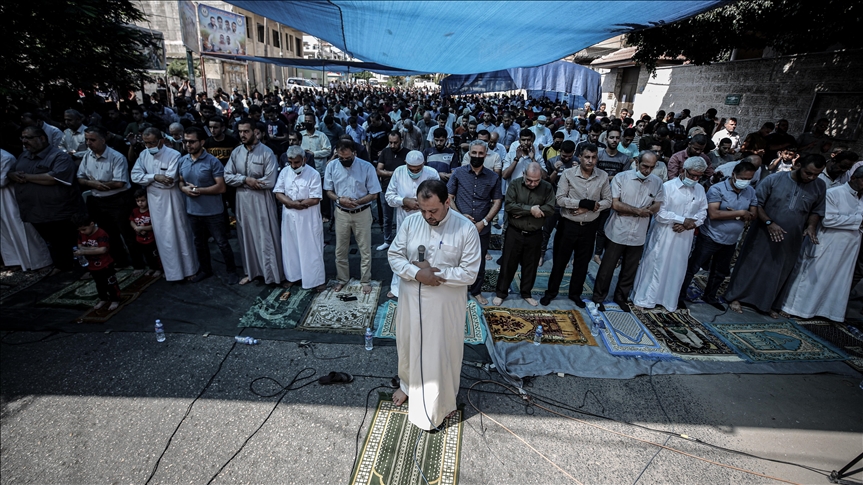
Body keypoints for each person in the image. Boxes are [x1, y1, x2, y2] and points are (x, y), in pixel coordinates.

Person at [387, 179, 481, 431]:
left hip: (443, 307)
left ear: (447, 202)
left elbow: (469, 273)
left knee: (440, 352)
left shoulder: (465, 229)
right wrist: (417, 274)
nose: (428, 216)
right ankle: (407, 386)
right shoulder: (410, 223)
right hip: (411, 300)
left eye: (433, 210)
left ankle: (442, 402)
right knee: (408, 344)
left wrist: (437, 275)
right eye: (423, 210)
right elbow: (394, 255)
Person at [724, 154, 828, 317]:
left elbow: (816, 210)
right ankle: (736, 297)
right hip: (762, 232)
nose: (812, 177)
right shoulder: (774, 179)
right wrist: (769, 223)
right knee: (750, 264)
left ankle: (767, 304)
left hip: (791, 236)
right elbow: (756, 204)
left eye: (817, 174)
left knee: (779, 270)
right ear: (798, 165)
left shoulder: (819, 186)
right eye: (808, 173)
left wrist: (811, 226)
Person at [781, 167, 863, 321]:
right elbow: (828, 219)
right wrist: (858, 221)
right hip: (828, 242)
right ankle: (795, 308)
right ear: (853, 178)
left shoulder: (861, 198)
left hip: (849, 247)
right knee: (813, 276)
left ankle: (825, 311)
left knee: (838, 279)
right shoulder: (834, 193)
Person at [678, 161, 758, 310]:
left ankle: (710, 296)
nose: (745, 182)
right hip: (710, 236)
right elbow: (714, 214)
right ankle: (680, 295)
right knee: (693, 267)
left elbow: (753, 214)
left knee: (719, 272)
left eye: (749, 179)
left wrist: (730, 213)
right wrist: (740, 213)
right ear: (733, 175)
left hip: (731, 239)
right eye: (743, 178)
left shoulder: (750, 191)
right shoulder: (718, 189)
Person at [631, 157, 708, 312]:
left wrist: (691, 224)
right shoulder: (667, 187)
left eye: (698, 176)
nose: (695, 179)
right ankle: (644, 299)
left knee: (676, 268)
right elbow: (660, 214)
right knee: (655, 266)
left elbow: (703, 212)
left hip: (684, 237)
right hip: (664, 234)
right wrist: (682, 220)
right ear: (683, 170)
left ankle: (668, 301)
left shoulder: (699, 189)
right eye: (692, 175)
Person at [540, 143, 612, 307]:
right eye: (587, 157)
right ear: (579, 157)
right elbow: (559, 199)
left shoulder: (602, 176)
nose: (590, 161)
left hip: (589, 226)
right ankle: (551, 293)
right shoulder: (568, 174)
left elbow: (608, 201)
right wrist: (580, 203)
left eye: (594, 157)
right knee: (560, 261)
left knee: (582, 263)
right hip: (568, 225)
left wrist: (590, 206)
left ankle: (575, 294)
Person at [591, 151, 664, 312]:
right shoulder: (621, 178)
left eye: (651, 167)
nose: (647, 170)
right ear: (637, 162)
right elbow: (615, 204)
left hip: (639, 233)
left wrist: (645, 210)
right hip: (618, 230)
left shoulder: (657, 182)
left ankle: (621, 298)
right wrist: (638, 211)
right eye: (644, 166)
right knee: (607, 268)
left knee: (629, 269)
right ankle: (598, 298)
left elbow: (658, 204)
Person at [10, 126, 84, 274]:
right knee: (53, 243)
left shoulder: (59, 156)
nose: (24, 141)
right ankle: (62, 267)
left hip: (58, 212)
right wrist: (12, 175)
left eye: (29, 138)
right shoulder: (23, 156)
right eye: (23, 138)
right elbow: (12, 171)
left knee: (64, 242)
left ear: (42, 138)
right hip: (34, 212)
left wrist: (26, 177)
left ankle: (77, 270)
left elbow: (54, 178)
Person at [130, 127, 199, 282]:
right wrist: (155, 177)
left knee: (180, 234)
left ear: (161, 141)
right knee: (163, 237)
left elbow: (170, 180)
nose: (148, 146)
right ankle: (172, 272)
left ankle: (189, 269)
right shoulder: (143, 155)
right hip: (154, 201)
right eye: (146, 143)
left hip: (172, 199)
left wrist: (148, 179)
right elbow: (135, 176)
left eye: (152, 143)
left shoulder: (174, 155)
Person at [225, 119, 284, 285]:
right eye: (240, 131)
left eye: (246, 131)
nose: (242, 135)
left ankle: (271, 274)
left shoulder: (267, 152)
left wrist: (243, 181)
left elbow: (270, 181)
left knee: (265, 235)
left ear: (255, 132)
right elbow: (227, 176)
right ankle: (252, 272)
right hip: (242, 200)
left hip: (262, 200)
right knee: (247, 236)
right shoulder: (236, 152)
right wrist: (246, 180)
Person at [179, 126, 239, 284]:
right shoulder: (183, 160)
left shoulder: (213, 162)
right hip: (193, 211)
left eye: (192, 142)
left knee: (222, 243)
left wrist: (199, 190)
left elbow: (221, 187)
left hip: (213, 212)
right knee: (199, 243)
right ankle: (205, 270)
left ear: (202, 142)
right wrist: (184, 189)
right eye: (185, 141)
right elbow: (180, 181)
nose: (188, 145)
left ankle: (232, 271)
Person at [76, 125, 140, 269]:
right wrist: (90, 183)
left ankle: (138, 264)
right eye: (87, 140)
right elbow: (80, 177)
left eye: (92, 140)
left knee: (127, 233)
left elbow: (119, 182)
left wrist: (99, 185)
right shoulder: (87, 156)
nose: (89, 143)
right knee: (108, 234)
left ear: (103, 140)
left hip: (118, 200)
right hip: (98, 200)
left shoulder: (116, 157)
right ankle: (120, 262)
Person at [447, 140, 502, 305]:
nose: (477, 156)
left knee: (479, 260)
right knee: (456, 258)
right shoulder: (458, 173)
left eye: (480, 153)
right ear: (469, 154)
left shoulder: (493, 177)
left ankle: (476, 291)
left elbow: (497, 201)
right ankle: (458, 289)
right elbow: (449, 197)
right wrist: (461, 217)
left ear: (486, 154)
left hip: (481, 228)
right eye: (474, 153)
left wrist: (484, 222)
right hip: (458, 226)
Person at [324, 139, 381, 294]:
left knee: (365, 249)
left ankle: (365, 280)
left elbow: (374, 193)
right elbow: (328, 190)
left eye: (348, 158)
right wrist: (339, 200)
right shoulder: (331, 166)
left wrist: (357, 202)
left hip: (362, 212)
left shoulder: (366, 167)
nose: (344, 161)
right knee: (340, 250)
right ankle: (342, 279)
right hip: (341, 212)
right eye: (341, 158)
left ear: (354, 153)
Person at [494, 163, 555, 306]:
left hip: (535, 233)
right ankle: (501, 293)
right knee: (508, 264)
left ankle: (526, 293)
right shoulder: (515, 184)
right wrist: (531, 210)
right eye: (529, 180)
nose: (532, 184)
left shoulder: (547, 187)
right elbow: (509, 206)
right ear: (524, 174)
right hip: (515, 232)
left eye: (536, 181)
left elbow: (550, 209)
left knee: (531, 266)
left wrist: (522, 211)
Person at [384, 150, 440, 298]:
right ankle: (397, 287)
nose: (414, 172)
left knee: (427, 251)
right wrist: (403, 201)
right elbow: (389, 196)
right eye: (411, 169)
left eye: (418, 169)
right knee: (402, 252)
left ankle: (425, 283)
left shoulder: (432, 173)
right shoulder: (399, 172)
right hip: (404, 219)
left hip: (427, 220)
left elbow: (438, 197)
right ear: (406, 164)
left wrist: (420, 205)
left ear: (423, 164)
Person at [273, 145, 326, 292]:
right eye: (290, 162)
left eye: (296, 162)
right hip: (290, 217)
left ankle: (316, 280)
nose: (293, 166)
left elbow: (315, 198)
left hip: (308, 218)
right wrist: (291, 203)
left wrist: (298, 204)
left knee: (311, 249)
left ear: (304, 160)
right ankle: (293, 277)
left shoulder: (313, 174)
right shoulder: (285, 172)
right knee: (290, 248)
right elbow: (278, 192)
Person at [0, 148, 51, 271]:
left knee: (21, 227)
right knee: (4, 231)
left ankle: (40, 261)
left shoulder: (5, 157)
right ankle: (15, 260)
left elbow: (2, 180)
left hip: (10, 197)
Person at [74, 214, 122, 311]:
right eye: (80, 230)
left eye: (84, 229)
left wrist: (85, 251)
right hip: (92, 265)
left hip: (105, 264)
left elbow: (103, 250)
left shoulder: (101, 233)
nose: (82, 232)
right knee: (99, 284)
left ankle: (115, 299)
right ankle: (103, 298)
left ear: (92, 224)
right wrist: (94, 249)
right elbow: (80, 246)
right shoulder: (81, 233)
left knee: (111, 282)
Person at [376, 131, 410, 251]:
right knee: (387, 218)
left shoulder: (407, 153)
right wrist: (396, 174)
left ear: (401, 140)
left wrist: (388, 173)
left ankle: (403, 241)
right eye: (390, 142)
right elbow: (379, 170)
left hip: (403, 190)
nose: (392, 145)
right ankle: (387, 240)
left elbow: (410, 170)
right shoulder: (385, 152)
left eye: (395, 142)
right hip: (386, 189)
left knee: (405, 217)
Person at [128, 189, 162, 277]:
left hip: (151, 239)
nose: (140, 203)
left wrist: (143, 228)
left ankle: (159, 269)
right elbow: (131, 221)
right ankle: (151, 268)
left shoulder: (151, 211)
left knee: (155, 255)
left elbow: (154, 225)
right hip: (140, 240)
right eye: (138, 201)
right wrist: (136, 228)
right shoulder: (135, 211)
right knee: (147, 255)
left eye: (142, 200)